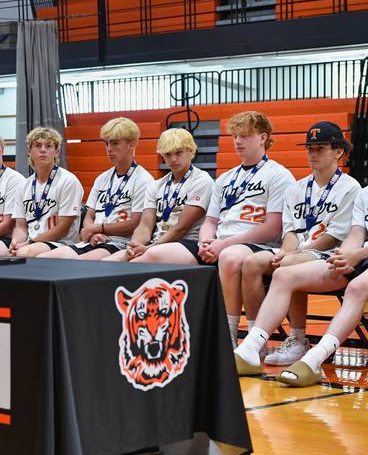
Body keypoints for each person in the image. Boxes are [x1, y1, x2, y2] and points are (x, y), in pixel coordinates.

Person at [133, 111, 294, 349]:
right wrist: (206, 242)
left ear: (263, 138)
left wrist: (222, 245)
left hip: (258, 245)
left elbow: (272, 229)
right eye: (235, 136)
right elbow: (210, 221)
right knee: (153, 255)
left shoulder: (279, 175)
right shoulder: (226, 178)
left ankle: (237, 338)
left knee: (229, 258)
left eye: (245, 136)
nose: (238, 141)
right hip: (219, 244)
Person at [234, 123, 362, 378]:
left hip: (328, 252)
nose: (312, 154)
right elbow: (291, 231)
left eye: (320, 149)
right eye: (309, 149)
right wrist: (284, 251)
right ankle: (254, 340)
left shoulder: (350, 188)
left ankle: (297, 339)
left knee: (287, 266)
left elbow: (334, 236)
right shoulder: (297, 187)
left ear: (338, 152)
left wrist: (292, 255)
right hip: (298, 250)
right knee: (250, 263)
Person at [38, 117, 153, 260]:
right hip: (95, 239)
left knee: (80, 264)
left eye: (115, 143)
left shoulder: (144, 179)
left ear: (132, 144)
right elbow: (89, 215)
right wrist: (93, 232)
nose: (109, 149)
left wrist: (98, 228)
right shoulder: (102, 179)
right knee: (43, 259)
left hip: (120, 242)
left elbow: (135, 223)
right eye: (107, 143)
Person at [104, 128, 214, 263]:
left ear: (191, 151)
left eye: (178, 153)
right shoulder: (156, 185)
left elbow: (182, 227)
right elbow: (145, 225)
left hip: (188, 242)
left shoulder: (201, 180)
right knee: (108, 263)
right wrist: (134, 246)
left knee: (134, 264)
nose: (173, 159)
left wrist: (149, 248)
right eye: (167, 154)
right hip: (155, 243)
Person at [0, 127, 83, 257]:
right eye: (38, 146)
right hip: (30, 242)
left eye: (48, 146)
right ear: (29, 151)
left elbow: (62, 229)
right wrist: (15, 242)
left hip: (60, 242)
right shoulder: (25, 185)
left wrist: (30, 243)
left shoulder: (68, 181)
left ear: (57, 151)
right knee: (12, 251)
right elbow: (20, 226)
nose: (43, 150)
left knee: (24, 253)